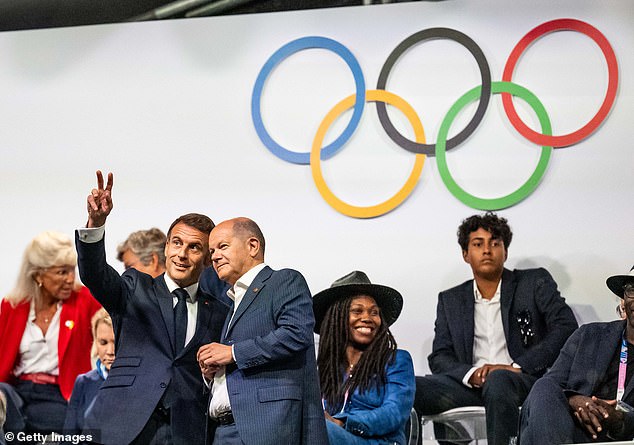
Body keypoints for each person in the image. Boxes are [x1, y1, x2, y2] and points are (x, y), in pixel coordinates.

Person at [75, 171, 229, 445]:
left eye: (194, 248)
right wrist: (96, 224)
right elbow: (94, 275)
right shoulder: (136, 287)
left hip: (187, 431)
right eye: (177, 243)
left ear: (207, 258)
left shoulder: (219, 311)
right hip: (122, 425)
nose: (182, 254)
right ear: (167, 246)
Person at [414, 212, 578, 445]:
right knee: (410, 386)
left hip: (521, 381)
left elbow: (565, 327)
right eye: (478, 244)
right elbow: (440, 355)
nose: (487, 250)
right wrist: (472, 374)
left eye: (495, 243)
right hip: (470, 387)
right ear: (465, 254)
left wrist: (518, 367)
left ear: (505, 251)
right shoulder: (450, 299)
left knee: (499, 379)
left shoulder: (533, 282)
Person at [198, 217, 328, 445]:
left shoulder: (284, 280)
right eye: (211, 251)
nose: (215, 256)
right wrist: (216, 373)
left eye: (223, 247)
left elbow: (295, 333)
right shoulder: (232, 302)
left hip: (266, 427)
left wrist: (232, 353)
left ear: (252, 246)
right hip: (223, 430)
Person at [0, 231, 101, 434]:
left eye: (73, 271)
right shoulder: (12, 305)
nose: (71, 279)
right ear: (38, 275)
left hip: (60, 393)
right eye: (62, 272)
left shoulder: (85, 301)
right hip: (16, 391)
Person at [520, 265, 634, 444]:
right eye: (632, 290)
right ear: (623, 300)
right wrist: (574, 400)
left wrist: (619, 419)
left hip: (624, 437)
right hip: (569, 432)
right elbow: (550, 389)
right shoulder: (588, 336)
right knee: (544, 386)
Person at [313, 270, 415, 445]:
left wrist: (344, 422)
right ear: (336, 318)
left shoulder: (396, 360)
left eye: (374, 313)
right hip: (333, 437)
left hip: (380, 442)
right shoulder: (325, 369)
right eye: (357, 311)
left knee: (320, 429)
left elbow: (394, 412)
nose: (367, 318)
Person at [63, 308, 115, 433]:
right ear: (95, 343)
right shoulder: (83, 382)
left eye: (116, 342)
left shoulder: (141, 383)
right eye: (103, 343)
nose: (110, 351)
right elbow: (69, 437)